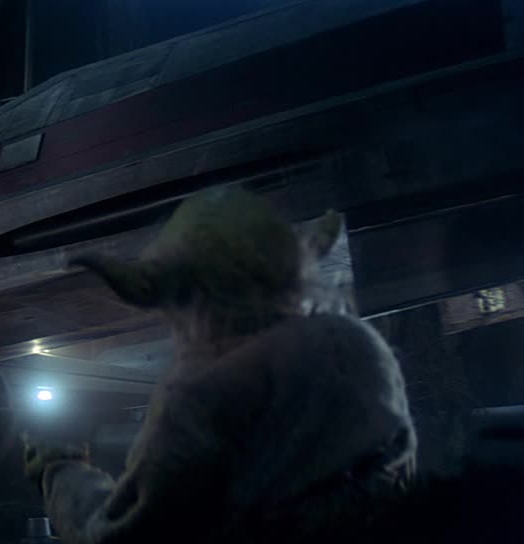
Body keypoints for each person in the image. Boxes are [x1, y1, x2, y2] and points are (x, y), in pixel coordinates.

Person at [26, 187, 416, 543]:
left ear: (178, 294)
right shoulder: (360, 346)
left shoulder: (206, 395)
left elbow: (125, 536)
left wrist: (59, 471)